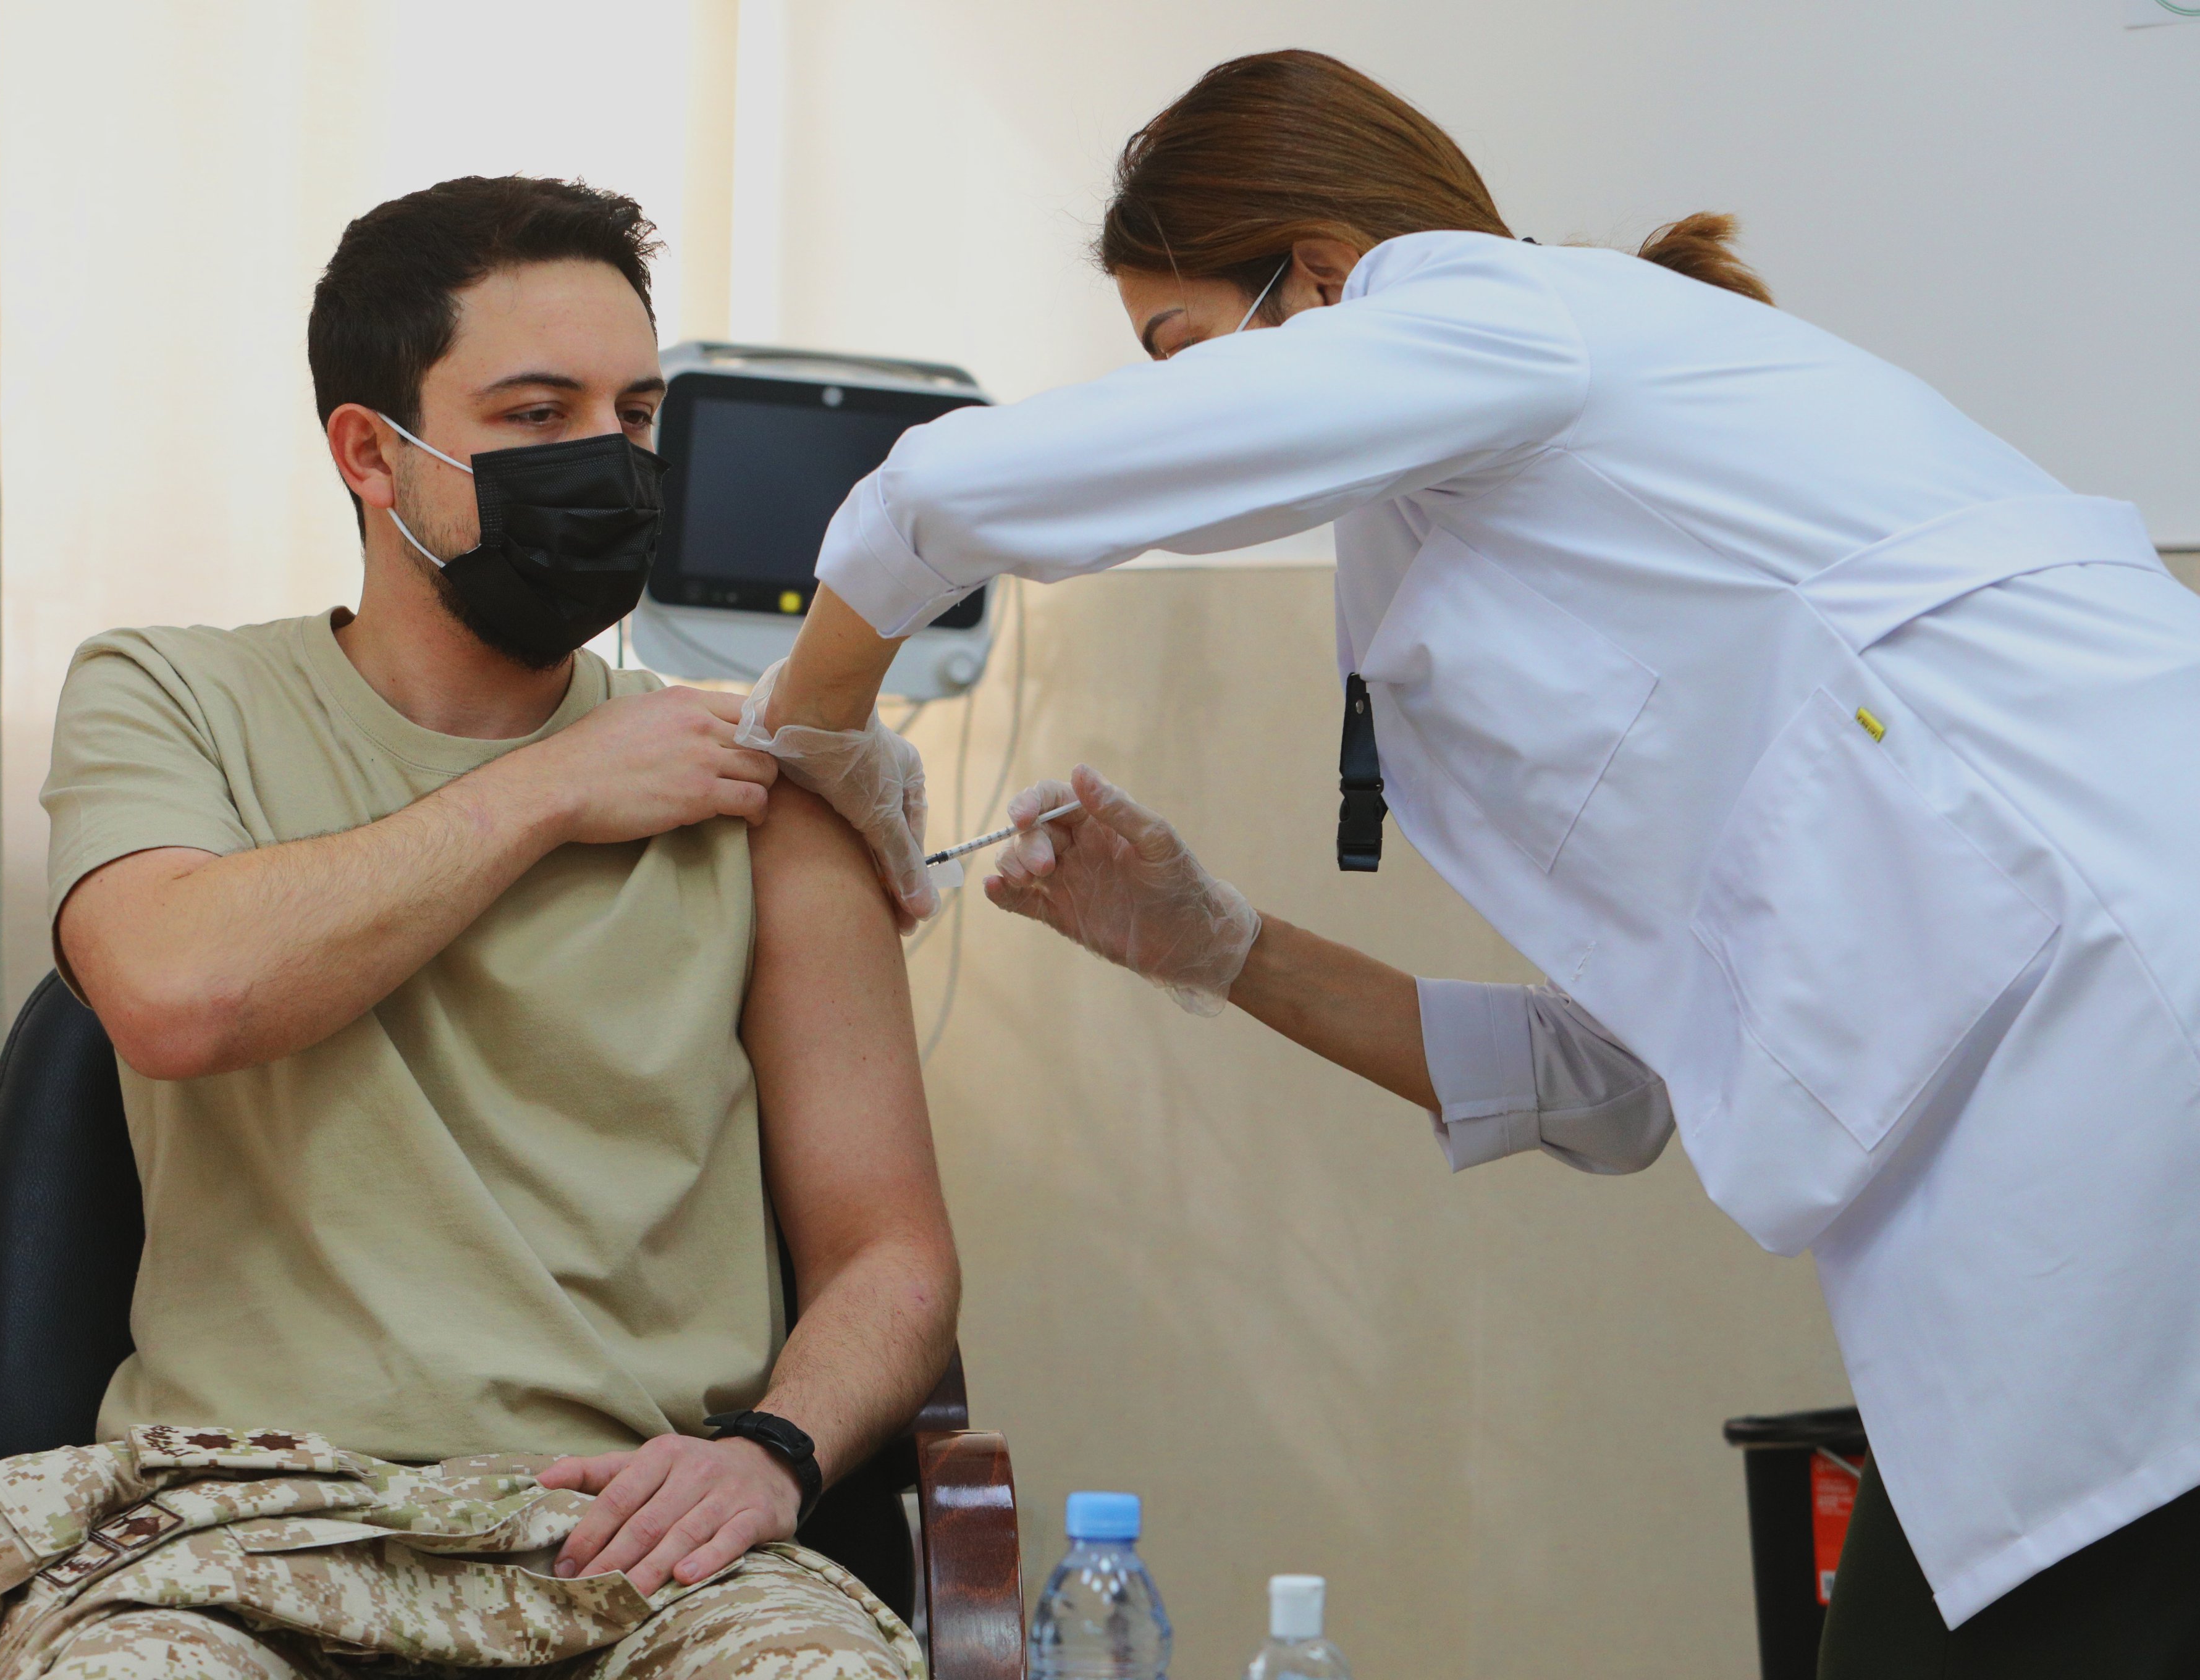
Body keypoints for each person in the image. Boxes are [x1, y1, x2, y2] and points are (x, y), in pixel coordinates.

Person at [737, 48, 2200, 1679]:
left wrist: (814, 729)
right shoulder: (1502, 520)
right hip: (2046, 1149)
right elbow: (1617, 1086)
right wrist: (1209, 941)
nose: (1183, 413)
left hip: (2126, 1053)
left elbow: (945, 488)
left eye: (1180, 358)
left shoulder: (1508, 319)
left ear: (1324, 271)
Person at [0, 176, 959, 1680]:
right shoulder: (171, 693)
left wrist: (768, 1455)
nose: (607, 459)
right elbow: (178, 992)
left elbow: (893, 1257)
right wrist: (547, 791)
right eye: (533, 413)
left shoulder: (755, 791)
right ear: (370, 454)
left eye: (634, 413)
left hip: (627, 1539)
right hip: (233, 1528)